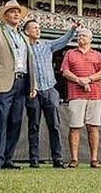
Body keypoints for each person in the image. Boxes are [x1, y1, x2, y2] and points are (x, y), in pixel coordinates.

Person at [0, 0, 36, 170]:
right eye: (12, 11)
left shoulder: (24, 37)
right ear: (5, 15)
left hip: (22, 82)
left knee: (16, 121)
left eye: (17, 12)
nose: (16, 14)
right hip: (3, 82)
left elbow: (30, 61)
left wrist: (32, 84)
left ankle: (8, 158)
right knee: (1, 120)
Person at [22, 17, 80, 168]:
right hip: (32, 91)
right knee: (33, 126)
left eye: (38, 27)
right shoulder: (23, 47)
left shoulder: (47, 45)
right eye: (34, 28)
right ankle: (34, 159)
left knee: (54, 125)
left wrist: (73, 29)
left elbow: (63, 40)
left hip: (50, 89)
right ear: (27, 31)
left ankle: (57, 158)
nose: (37, 29)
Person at [60, 28, 101, 168]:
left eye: (84, 36)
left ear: (90, 39)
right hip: (76, 94)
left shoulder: (97, 55)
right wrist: (79, 80)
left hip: (95, 94)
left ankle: (94, 159)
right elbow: (65, 71)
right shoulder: (70, 53)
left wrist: (88, 79)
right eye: (79, 35)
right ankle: (74, 159)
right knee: (75, 126)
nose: (81, 37)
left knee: (93, 127)